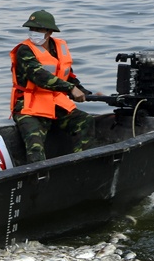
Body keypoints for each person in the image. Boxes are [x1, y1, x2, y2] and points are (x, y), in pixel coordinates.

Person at [10, 10, 94, 162]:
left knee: (85, 121)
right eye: (31, 29)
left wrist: (86, 93)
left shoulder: (59, 48)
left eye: (38, 29)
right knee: (35, 144)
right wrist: (70, 89)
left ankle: (79, 163)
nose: (33, 33)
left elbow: (68, 76)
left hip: (55, 104)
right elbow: (39, 76)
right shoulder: (24, 50)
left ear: (49, 31)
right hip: (29, 107)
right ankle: (37, 177)